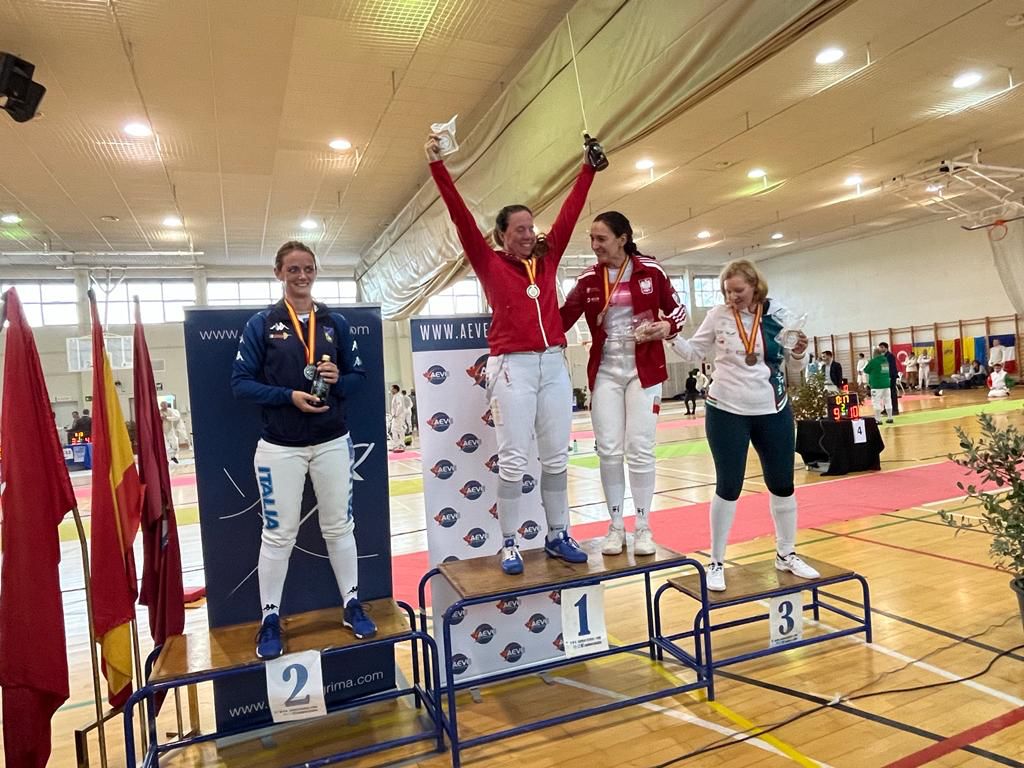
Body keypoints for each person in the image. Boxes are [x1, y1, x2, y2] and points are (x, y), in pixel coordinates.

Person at [426, 131, 604, 574]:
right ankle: (508, 543)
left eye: (531, 227)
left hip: (554, 365)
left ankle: (558, 533)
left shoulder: (547, 259)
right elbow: (460, 217)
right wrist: (437, 166)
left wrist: (587, 169)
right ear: (502, 236)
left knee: (557, 456)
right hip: (512, 369)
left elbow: (570, 213)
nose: (528, 234)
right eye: (519, 230)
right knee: (513, 459)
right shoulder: (489, 262)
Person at [232, 240, 376, 660]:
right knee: (278, 535)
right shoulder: (262, 324)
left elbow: (359, 377)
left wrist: (337, 378)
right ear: (279, 273)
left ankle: (352, 603)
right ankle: (270, 618)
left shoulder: (334, 322)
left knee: (339, 527)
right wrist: (287, 396)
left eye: (308, 268)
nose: (301, 275)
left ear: (316, 272)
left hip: (331, 441)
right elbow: (240, 384)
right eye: (293, 269)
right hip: (280, 447)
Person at [669, 259, 818, 591]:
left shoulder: (779, 315)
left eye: (738, 291)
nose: (731, 297)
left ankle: (786, 553)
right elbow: (693, 352)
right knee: (729, 485)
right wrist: (671, 336)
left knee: (783, 484)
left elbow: (795, 367)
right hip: (726, 410)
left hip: (773, 408)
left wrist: (799, 352)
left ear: (755, 287)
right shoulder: (718, 315)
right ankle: (716, 561)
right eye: (726, 291)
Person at [560, 211, 686, 557]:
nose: (594, 245)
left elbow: (678, 311)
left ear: (623, 238)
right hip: (606, 372)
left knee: (641, 448)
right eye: (591, 238)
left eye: (601, 238)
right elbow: (560, 320)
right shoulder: (588, 279)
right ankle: (616, 526)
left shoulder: (651, 271)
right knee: (609, 450)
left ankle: (643, 526)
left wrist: (667, 327)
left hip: (644, 371)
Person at [863, 346, 894, 424]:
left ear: (874, 353)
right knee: (888, 401)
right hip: (886, 384)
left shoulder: (873, 361)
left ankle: (878, 419)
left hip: (876, 385)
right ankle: (890, 417)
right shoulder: (885, 360)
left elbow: (866, 370)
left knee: (876, 402)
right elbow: (885, 371)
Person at [879, 342, 900, 415]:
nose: (880, 349)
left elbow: (892, 367)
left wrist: (889, 377)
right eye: (880, 347)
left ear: (885, 348)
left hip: (891, 377)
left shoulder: (890, 356)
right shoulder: (883, 356)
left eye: (882, 347)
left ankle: (895, 409)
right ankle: (887, 408)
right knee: (886, 394)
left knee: (892, 393)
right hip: (885, 377)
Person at [388, 384, 406, 453]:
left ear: (395, 389)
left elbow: (400, 406)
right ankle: (396, 445)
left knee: (399, 430)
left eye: (392, 389)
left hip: (399, 416)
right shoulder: (395, 396)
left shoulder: (399, 396)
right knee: (394, 430)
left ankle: (401, 445)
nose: (391, 390)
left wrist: (396, 414)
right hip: (396, 416)